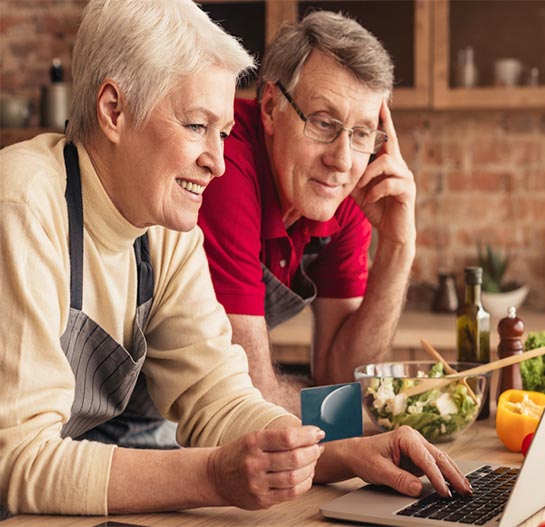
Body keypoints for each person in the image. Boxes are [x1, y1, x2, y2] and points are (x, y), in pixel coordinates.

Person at [0, 0, 469, 517]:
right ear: (114, 110)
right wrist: (211, 475)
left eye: (222, 133)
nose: (218, 163)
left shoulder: (164, 228)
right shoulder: (23, 205)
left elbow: (221, 398)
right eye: (196, 126)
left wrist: (344, 454)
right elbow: (15, 461)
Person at [197, 11, 417, 413]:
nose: (342, 159)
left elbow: (341, 375)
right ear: (269, 107)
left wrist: (398, 246)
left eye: (362, 133)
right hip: (118, 427)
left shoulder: (342, 189)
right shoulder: (225, 165)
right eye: (323, 123)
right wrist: (364, 425)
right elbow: (249, 397)